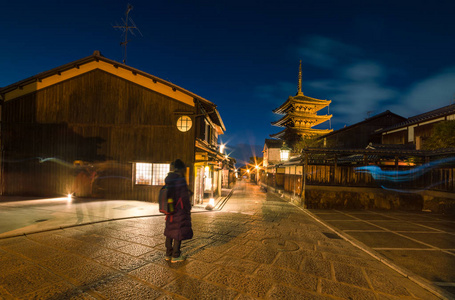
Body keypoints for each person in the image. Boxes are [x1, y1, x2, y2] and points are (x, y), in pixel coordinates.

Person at [164, 159, 193, 263]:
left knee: (170, 230)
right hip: (179, 209)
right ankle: (176, 255)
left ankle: (168, 253)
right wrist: (188, 208)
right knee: (178, 231)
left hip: (170, 208)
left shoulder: (169, 178)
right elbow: (184, 197)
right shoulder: (181, 180)